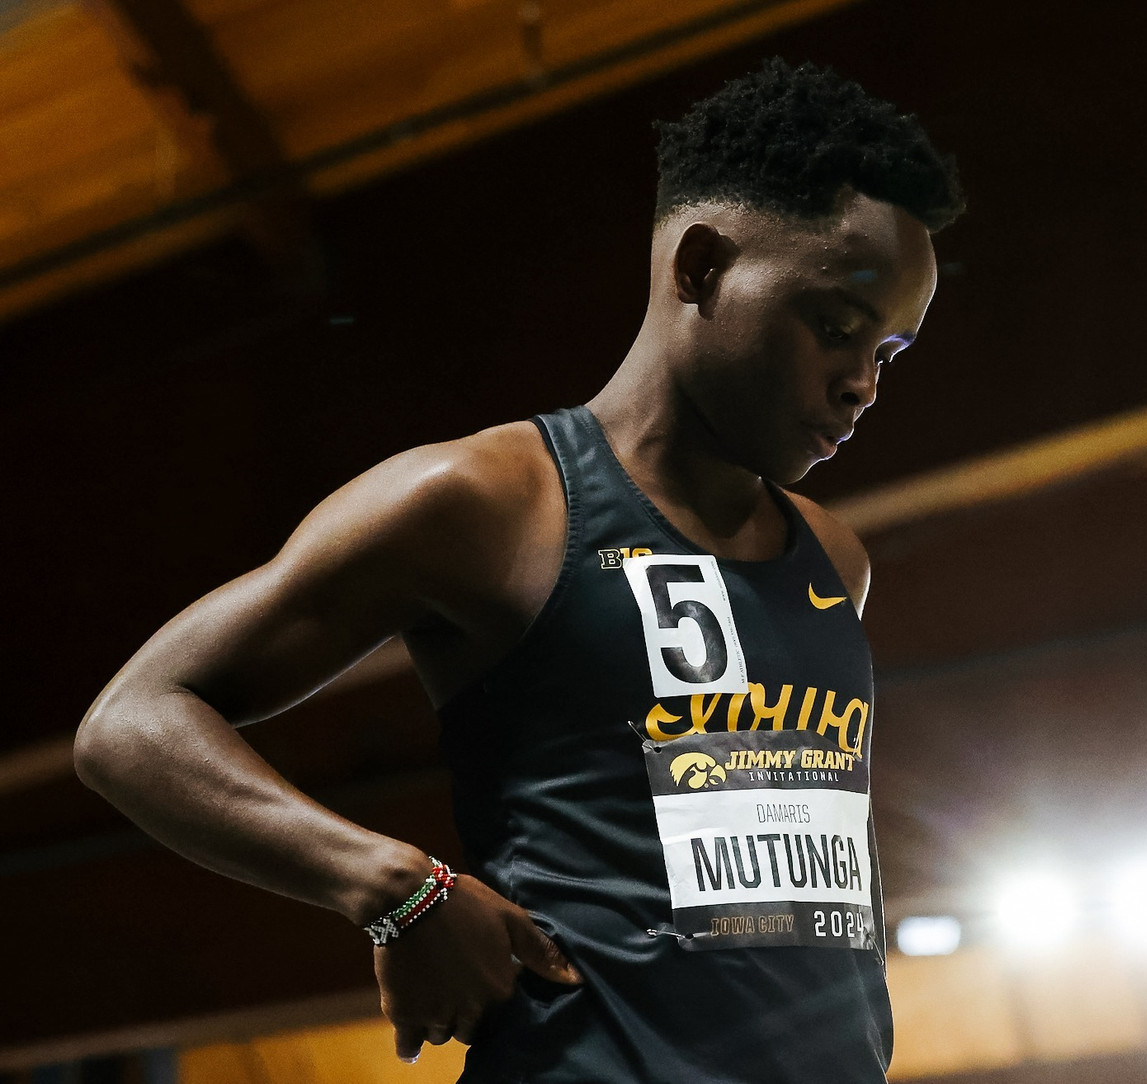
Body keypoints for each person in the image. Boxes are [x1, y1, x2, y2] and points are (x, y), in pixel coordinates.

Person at [74, 58, 963, 1083]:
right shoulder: (489, 503)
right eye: (839, 328)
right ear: (702, 266)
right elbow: (131, 723)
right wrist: (393, 885)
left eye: (889, 352)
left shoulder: (834, 561)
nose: (862, 384)